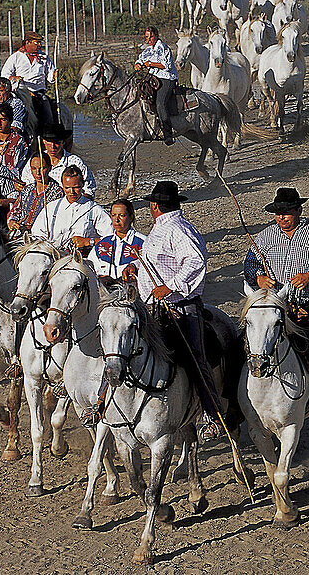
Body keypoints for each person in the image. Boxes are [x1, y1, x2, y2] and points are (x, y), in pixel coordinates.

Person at [243, 188, 309, 421]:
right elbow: (249, 264)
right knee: (249, 340)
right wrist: (258, 277)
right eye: (278, 213)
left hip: (307, 307)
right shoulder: (265, 237)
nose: (281, 218)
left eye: (287, 213)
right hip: (274, 306)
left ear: (299, 210)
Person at [137, 181, 222, 442]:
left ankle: (212, 414)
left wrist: (170, 286)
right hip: (154, 307)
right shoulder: (161, 229)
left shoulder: (178, 229)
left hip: (181, 308)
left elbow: (195, 262)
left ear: (154, 206)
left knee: (195, 359)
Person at [31, 166, 112, 250]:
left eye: (76, 187)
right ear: (62, 186)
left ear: (82, 185)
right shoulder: (52, 208)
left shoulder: (94, 210)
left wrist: (89, 241)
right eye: (67, 188)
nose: (71, 192)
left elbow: (111, 239)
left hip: (82, 259)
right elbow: (37, 234)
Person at [0, 32, 57, 133]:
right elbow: (4, 74)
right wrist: (13, 78)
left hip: (37, 93)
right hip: (20, 92)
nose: (39, 45)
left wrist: (54, 76)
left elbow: (50, 78)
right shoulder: (16, 57)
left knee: (47, 115)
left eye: (40, 43)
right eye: (37, 43)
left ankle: (47, 137)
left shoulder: (44, 58)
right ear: (28, 42)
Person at [20, 124, 95, 199]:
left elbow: (89, 189)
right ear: (44, 141)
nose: (53, 146)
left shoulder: (75, 162)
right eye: (49, 142)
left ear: (63, 142)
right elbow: (26, 183)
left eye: (57, 142)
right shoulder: (36, 160)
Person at [135, 26, 179, 145]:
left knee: (160, 103)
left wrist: (151, 64)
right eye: (146, 37)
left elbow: (167, 65)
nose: (148, 39)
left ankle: (168, 134)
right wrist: (138, 65)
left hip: (166, 78)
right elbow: (140, 59)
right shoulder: (148, 50)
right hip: (153, 77)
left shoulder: (164, 48)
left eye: (151, 37)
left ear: (156, 36)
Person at [89, 199, 145, 285]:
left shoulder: (143, 242)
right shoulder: (103, 243)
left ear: (131, 217)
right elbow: (90, 267)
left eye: (122, 215)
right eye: (113, 215)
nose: (117, 220)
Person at [7, 152, 62, 233]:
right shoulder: (27, 189)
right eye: (34, 168)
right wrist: (12, 221)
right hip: (20, 234)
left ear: (49, 168)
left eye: (42, 168)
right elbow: (16, 209)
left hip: (41, 237)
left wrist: (30, 228)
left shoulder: (57, 192)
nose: (38, 173)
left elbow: (54, 220)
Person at [0, 103, 28, 181]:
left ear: (10, 121)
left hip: (13, 182)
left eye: (3, 120)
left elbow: (18, 166)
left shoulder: (18, 141)